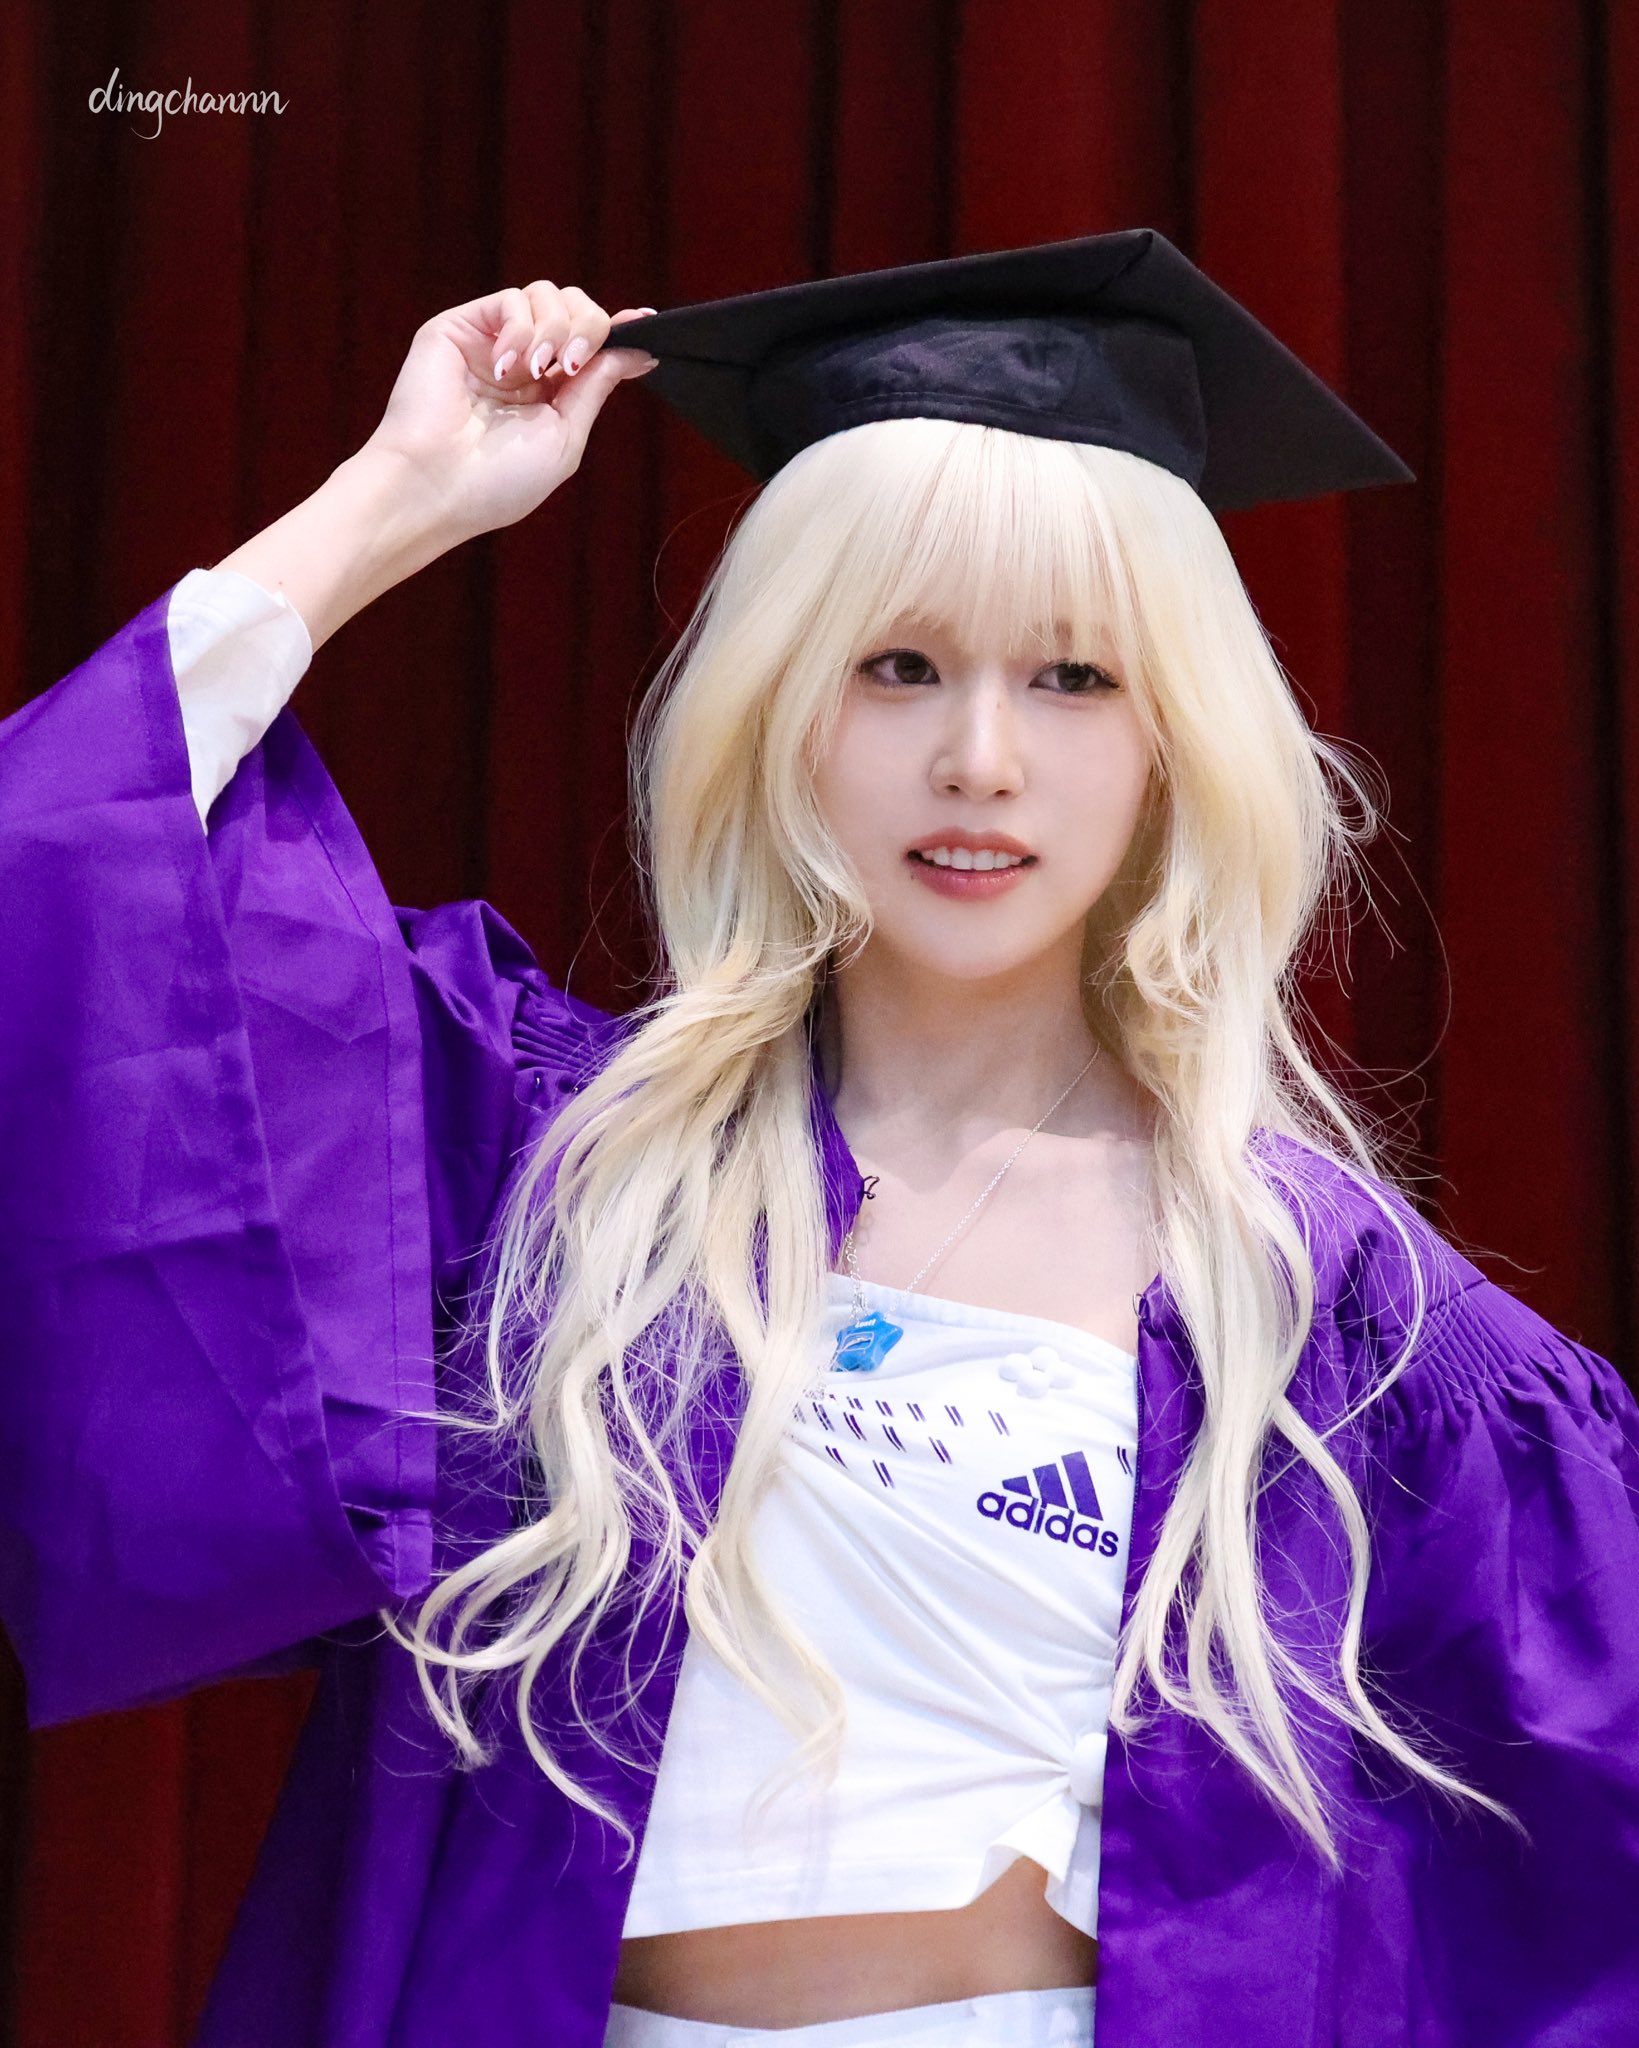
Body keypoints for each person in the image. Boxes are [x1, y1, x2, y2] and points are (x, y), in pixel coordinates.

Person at [1, 229, 1636, 2048]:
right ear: (782, 703)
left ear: (1176, 742)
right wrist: (397, 499)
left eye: (1076, 678)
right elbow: (71, 889)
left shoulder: (1333, 1327)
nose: (981, 758)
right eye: (897, 665)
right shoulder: (551, 1168)